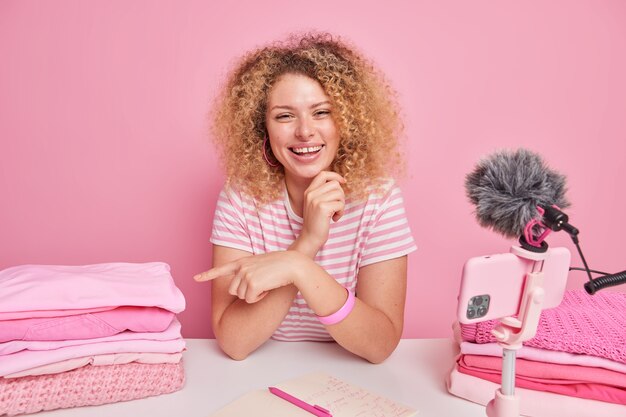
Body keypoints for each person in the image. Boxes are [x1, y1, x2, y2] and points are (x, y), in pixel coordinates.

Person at [194, 33, 416, 364]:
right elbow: (235, 342)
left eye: (321, 112)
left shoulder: (377, 198)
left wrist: (296, 267)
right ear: (262, 128)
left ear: (347, 120)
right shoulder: (240, 198)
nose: (304, 131)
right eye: (285, 116)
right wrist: (306, 244)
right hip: (261, 370)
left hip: (349, 375)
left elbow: (379, 345)